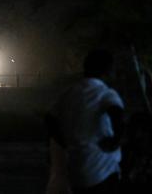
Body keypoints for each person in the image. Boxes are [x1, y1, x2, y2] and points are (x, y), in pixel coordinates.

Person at [46, 48, 125, 193]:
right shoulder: (105, 93)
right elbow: (117, 112)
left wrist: (64, 142)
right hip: (103, 168)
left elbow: (50, 119)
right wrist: (115, 141)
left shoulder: (69, 93)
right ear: (108, 70)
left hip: (76, 169)